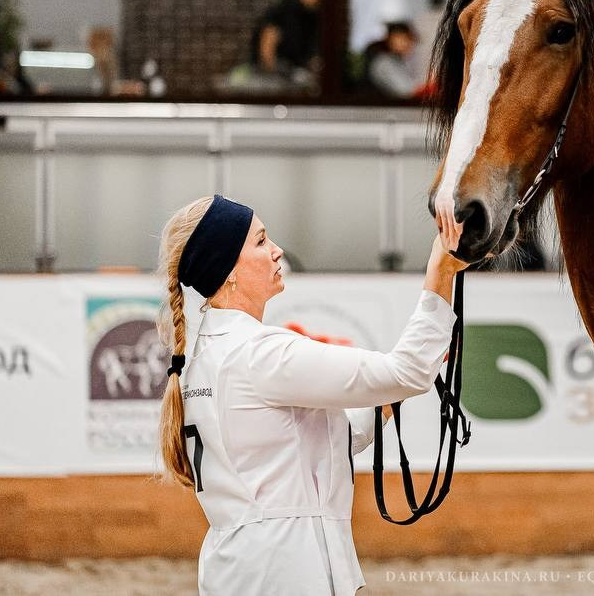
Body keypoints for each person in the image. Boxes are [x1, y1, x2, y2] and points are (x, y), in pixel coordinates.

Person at [157, 195, 472, 594]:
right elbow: (406, 371)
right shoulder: (261, 352)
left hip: (242, 568)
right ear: (228, 271)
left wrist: (393, 392)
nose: (277, 252)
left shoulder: (206, 355)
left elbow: (321, 442)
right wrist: (441, 270)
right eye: (260, 242)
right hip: (288, 569)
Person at [226, 23, 314, 94]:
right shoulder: (240, 74)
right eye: (265, 42)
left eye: (273, 43)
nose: (268, 49)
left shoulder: (294, 75)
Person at [261, 0, 321, 71]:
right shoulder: (285, 8)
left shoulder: (314, 16)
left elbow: (312, 52)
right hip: (279, 69)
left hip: (298, 70)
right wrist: (271, 68)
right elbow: (269, 40)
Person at [364, 22, 426, 99]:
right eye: (401, 39)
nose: (406, 44)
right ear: (389, 40)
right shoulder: (383, 62)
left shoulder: (401, 61)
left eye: (408, 40)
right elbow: (407, 90)